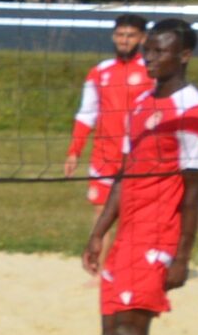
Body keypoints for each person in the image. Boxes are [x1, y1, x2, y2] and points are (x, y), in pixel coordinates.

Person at [62, 19, 198, 335]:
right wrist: (99, 232)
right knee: (113, 333)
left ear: (184, 55)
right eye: (148, 50)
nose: (149, 58)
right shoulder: (143, 102)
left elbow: (195, 193)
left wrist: (182, 256)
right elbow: (125, 175)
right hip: (129, 230)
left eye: (160, 51)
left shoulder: (193, 109)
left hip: (159, 233)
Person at [65, 14, 153, 219]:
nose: (124, 40)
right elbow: (87, 114)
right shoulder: (99, 71)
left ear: (142, 39)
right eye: (120, 35)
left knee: (134, 218)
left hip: (140, 157)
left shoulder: (152, 72)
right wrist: (74, 152)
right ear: (113, 36)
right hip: (104, 156)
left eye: (130, 36)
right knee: (101, 215)